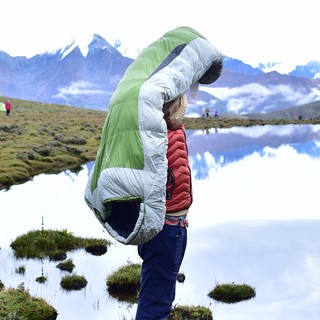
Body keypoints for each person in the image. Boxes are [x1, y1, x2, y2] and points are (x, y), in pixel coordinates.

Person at [135, 95, 192, 320]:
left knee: (155, 297)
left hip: (160, 226)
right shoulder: (160, 133)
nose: (183, 108)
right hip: (166, 228)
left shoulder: (149, 131)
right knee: (157, 305)